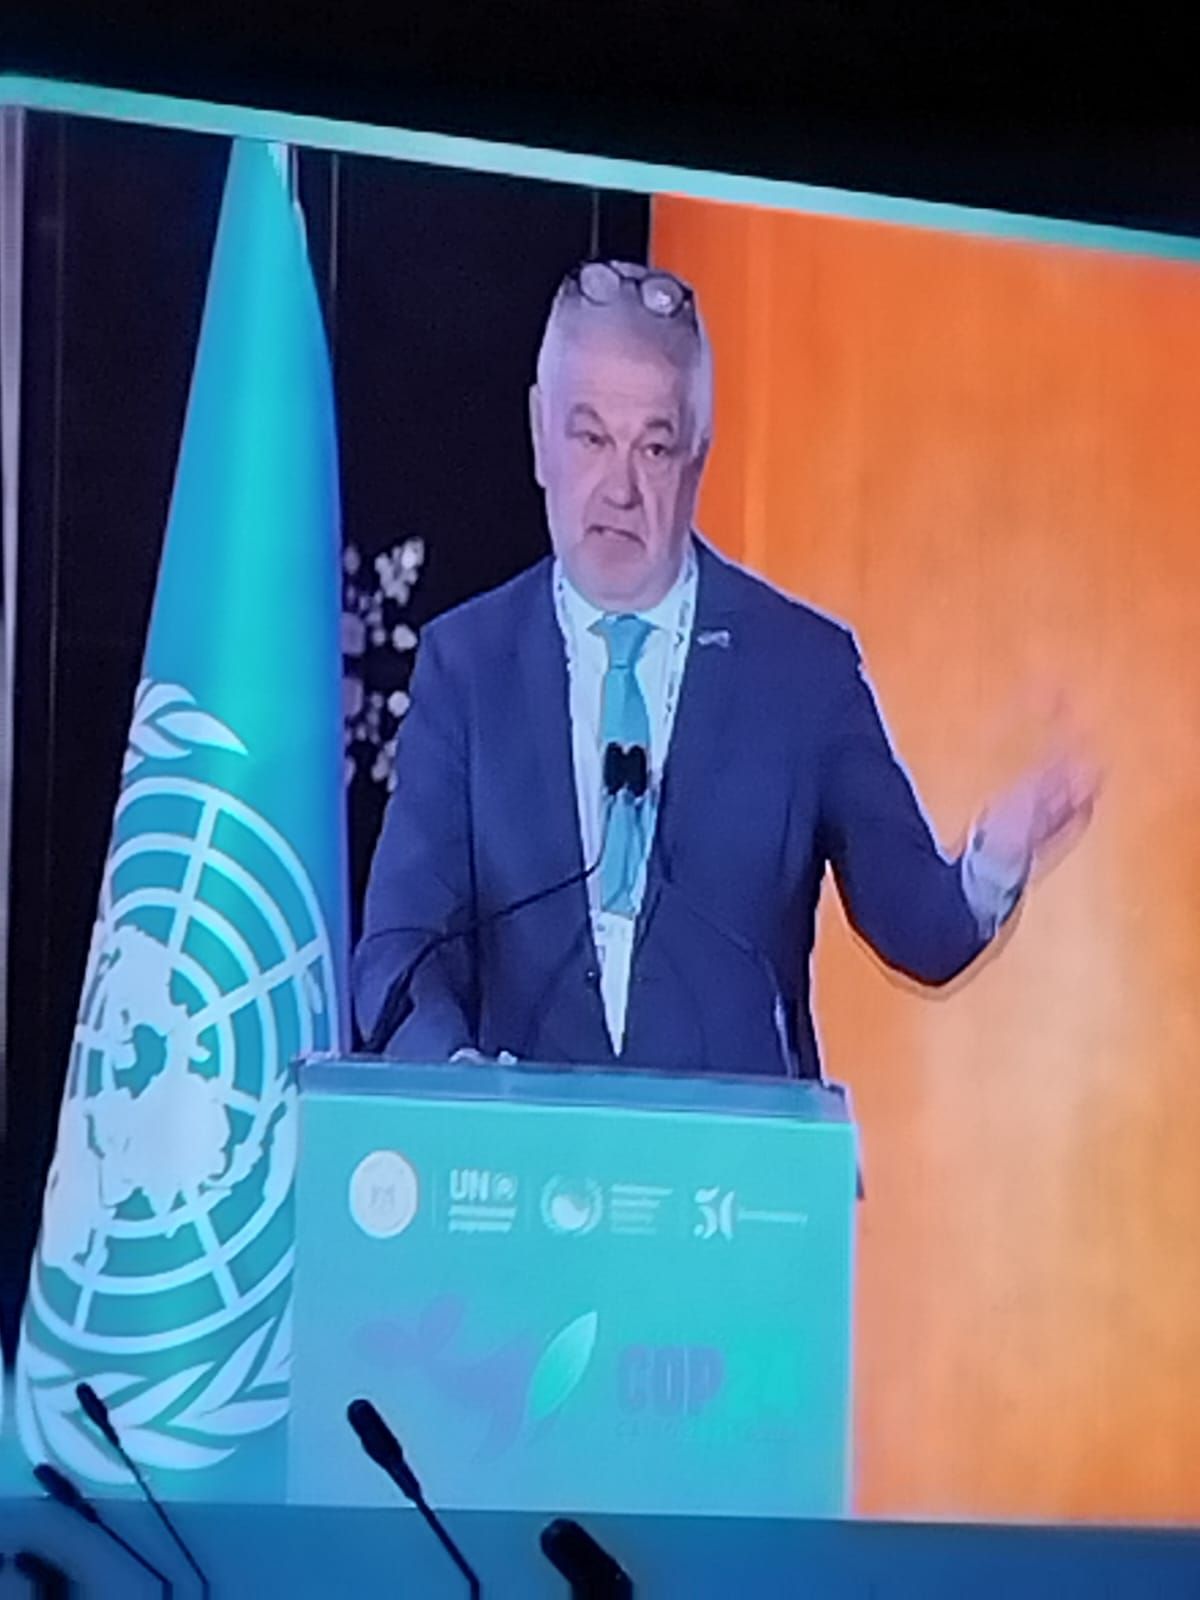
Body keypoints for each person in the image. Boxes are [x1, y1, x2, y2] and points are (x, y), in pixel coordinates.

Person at [354, 259, 1097, 1077]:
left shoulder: (803, 671)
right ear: (540, 436)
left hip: (744, 1151)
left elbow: (920, 927)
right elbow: (400, 951)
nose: (620, 488)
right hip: (519, 1148)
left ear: (698, 457)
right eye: (591, 438)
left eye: (654, 447)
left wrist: (995, 857)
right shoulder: (468, 665)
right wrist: (451, 1074)